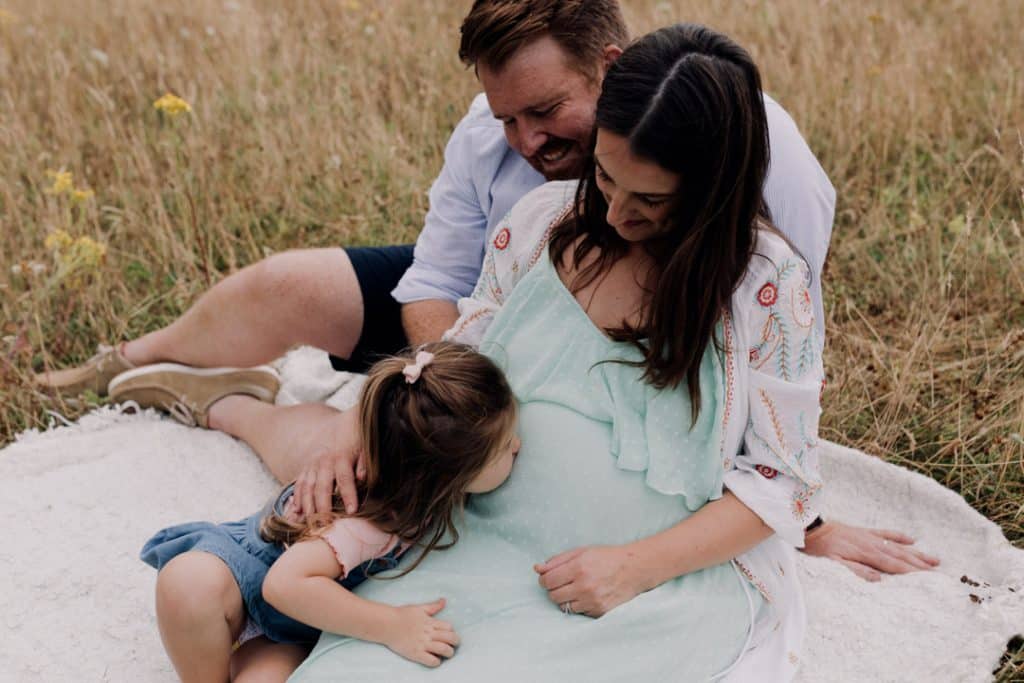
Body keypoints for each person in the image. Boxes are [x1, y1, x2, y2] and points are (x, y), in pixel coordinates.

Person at [34, 0, 935, 579]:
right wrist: (416, 398)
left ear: (614, 71)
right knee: (318, 348)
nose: (521, 136)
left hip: (625, 353)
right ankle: (154, 366)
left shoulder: (766, 197)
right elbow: (441, 282)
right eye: (506, 115)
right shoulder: (529, 186)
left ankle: (244, 401)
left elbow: (774, 375)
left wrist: (801, 521)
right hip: (498, 316)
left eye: (545, 113)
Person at [290, 23, 815, 681]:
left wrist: (634, 567)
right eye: (605, 174)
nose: (618, 212)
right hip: (477, 541)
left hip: (650, 588)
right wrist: (360, 418)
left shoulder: (765, 286)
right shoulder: (541, 224)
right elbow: (460, 360)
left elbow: (783, 480)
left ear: (712, 190)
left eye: (651, 200)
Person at [139, 343, 520, 682]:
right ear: (443, 477)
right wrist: (391, 625)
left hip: (290, 625)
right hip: (248, 572)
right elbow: (283, 585)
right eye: (505, 446)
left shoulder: (406, 465)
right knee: (186, 583)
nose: (518, 446)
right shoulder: (368, 522)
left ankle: (243, 658)